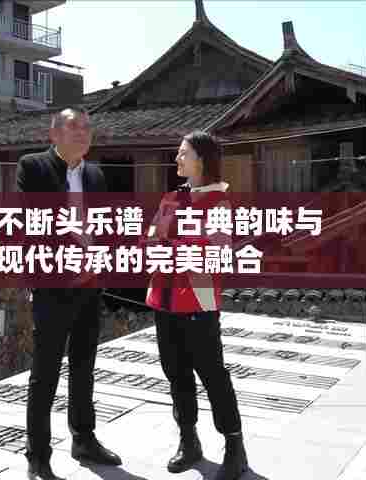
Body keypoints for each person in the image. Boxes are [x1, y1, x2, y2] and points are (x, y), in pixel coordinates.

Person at [16, 107, 122, 480]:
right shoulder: (34, 167)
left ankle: (84, 438)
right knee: (45, 372)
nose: (83, 133)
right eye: (74, 127)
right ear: (55, 134)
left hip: (90, 285)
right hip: (53, 286)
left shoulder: (95, 174)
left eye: (87, 128)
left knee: (83, 366)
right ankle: (38, 455)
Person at [145, 131, 248, 480]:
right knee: (175, 373)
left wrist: (171, 244)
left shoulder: (219, 203)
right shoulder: (170, 198)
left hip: (198, 300)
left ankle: (235, 447)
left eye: (183, 153)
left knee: (212, 375)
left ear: (201, 160)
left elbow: (218, 252)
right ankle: (189, 442)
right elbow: (150, 239)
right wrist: (169, 243)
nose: (177, 159)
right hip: (163, 298)